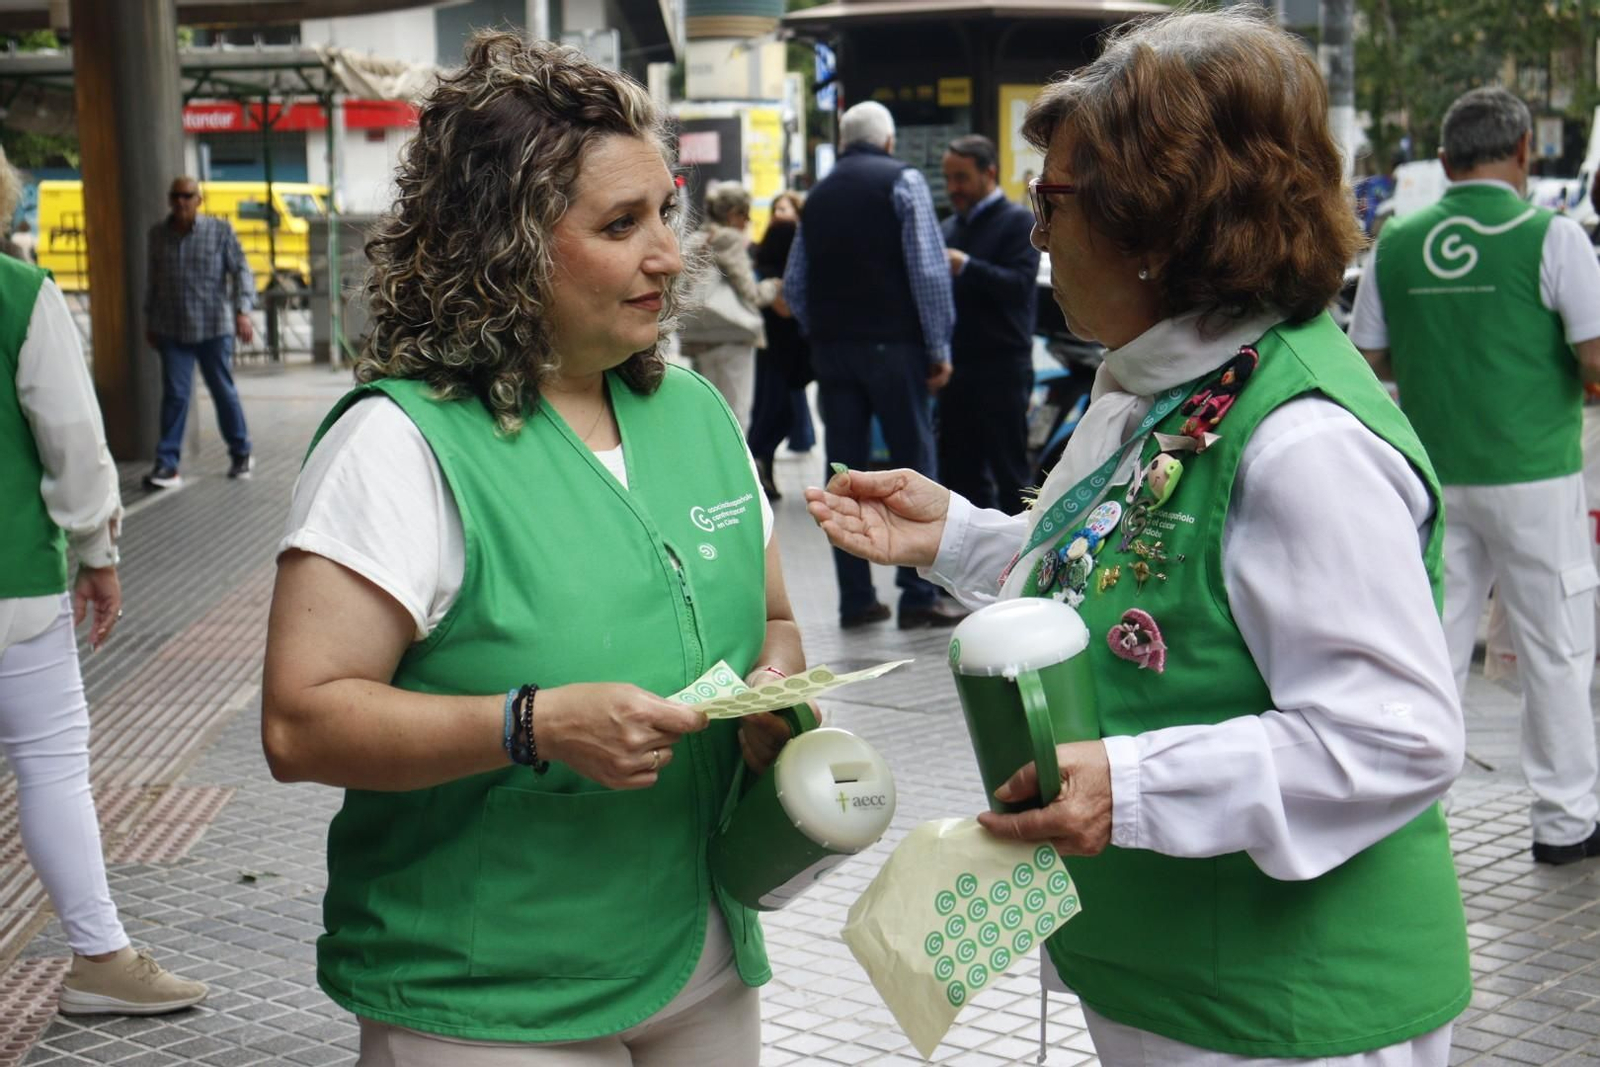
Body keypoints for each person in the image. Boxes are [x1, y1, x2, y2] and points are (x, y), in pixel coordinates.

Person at [807, 10, 1469, 1065]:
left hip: (1285, 1005)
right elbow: (1127, 568)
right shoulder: (1168, 377)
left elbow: (1393, 733)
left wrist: (1130, 780)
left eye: (1054, 203)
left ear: (1160, 226)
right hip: (1172, 974)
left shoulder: (1301, 442)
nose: (1035, 235)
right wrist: (961, 538)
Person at [261, 33, 808, 1066]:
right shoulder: (399, 442)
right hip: (487, 991)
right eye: (620, 224)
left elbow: (773, 618)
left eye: (665, 214)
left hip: (698, 953)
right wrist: (531, 723)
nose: (667, 254)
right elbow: (300, 722)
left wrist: (774, 694)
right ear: (502, 245)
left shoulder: (692, 414)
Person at [1351, 86, 1600, 866]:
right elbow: (1595, 355)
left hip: (1430, 479)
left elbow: (1370, 360)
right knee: (1557, 648)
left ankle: (1419, 822)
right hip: (1535, 477)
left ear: (1447, 158)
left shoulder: (1395, 240)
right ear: (1523, 151)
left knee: (1433, 649)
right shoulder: (1553, 237)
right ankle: (1565, 821)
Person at [0, 148, 207, 1016]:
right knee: (51, 767)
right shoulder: (18, 294)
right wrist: (97, 552)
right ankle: (98, 957)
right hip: (11, 586)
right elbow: (74, 442)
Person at [784, 100, 963, 630]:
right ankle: (917, 595)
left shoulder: (816, 197)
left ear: (843, 142)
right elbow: (928, 272)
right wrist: (938, 348)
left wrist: (823, 331)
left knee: (842, 472)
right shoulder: (902, 181)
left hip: (835, 352)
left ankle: (856, 599)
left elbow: (796, 284)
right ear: (888, 142)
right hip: (896, 347)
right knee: (914, 466)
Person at [938, 134, 1040, 514]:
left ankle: (1020, 565)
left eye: (961, 178)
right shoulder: (949, 227)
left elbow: (1017, 286)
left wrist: (966, 267)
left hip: (1002, 368)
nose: (953, 188)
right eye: (948, 178)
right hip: (957, 370)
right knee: (958, 476)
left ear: (989, 173)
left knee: (1010, 472)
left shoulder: (1019, 223)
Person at [142, 176, 256, 489]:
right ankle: (167, 465)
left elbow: (242, 271)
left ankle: (241, 451)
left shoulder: (220, 232)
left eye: (188, 196)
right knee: (175, 395)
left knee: (222, 391)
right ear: (170, 199)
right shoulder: (157, 236)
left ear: (199, 200)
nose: (181, 201)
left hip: (213, 329)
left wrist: (243, 310)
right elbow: (153, 281)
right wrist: (149, 320)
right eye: (176, 196)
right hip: (171, 329)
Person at [680, 180, 775, 428]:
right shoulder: (730, 240)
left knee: (708, 414)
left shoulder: (695, 240)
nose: (747, 221)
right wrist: (774, 287)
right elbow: (751, 293)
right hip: (733, 337)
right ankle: (734, 467)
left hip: (699, 337)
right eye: (745, 214)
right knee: (736, 415)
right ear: (733, 214)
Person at [747, 191, 813, 500]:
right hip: (779, 356)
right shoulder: (775, 276)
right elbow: (786, 309)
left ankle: (764, 472)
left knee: (773, 413)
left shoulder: (767, 270)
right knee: (775, 414)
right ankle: (757, 468)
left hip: (774, 356)